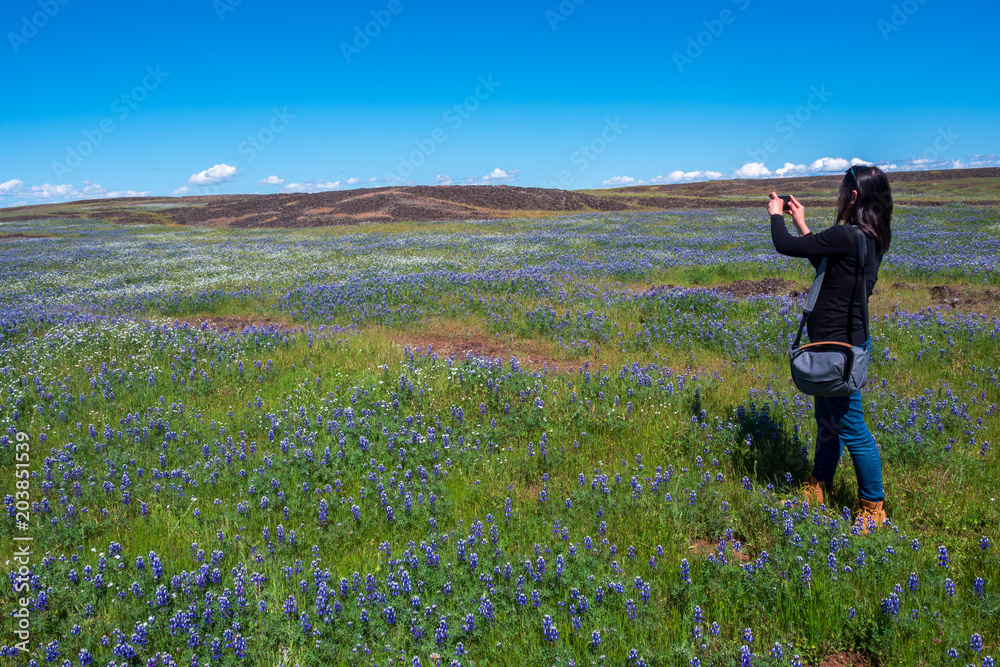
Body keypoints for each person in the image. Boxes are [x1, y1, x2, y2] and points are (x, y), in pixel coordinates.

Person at [767, 165, 893, 534]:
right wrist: (803, 223)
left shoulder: (846, 235)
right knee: (828, 420)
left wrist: (778, 217)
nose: (839, 195)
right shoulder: (869, 237)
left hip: (840, 348)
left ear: (853, 196)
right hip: (841, 344)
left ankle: (873, 506)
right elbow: (825, 262)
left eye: (843, 190)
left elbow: (784, 245)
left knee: (851, 425)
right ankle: (818, 486)